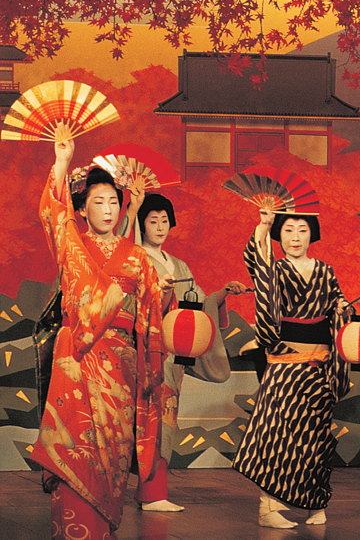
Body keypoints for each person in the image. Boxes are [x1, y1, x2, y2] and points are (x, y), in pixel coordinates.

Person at [30, 139, 165, 540]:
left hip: (120, 366)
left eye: (112, 202)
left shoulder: (137, 257)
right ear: (83, 208)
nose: (107, 210)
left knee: (112, 453)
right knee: (77, 447)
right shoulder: (73, 244)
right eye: (98, 202)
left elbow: (151, 317)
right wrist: (62, 161)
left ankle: (102, 529)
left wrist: (149, 371)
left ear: (121, 207)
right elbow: (52, 214)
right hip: (77, 359)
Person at [123, 192, 249, 511]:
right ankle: (149, 492)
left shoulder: (178, 265)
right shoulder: (134, 259)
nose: (161, 226)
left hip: (171, 356)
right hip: (145, 352)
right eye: (153, 220)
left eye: (165, 220)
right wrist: (159, 296)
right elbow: (127, 304)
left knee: (167, 422)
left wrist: (221, 295)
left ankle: (153, 492)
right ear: (141, 224)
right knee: (146, 422)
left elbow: (198, 303)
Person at [233, 207, 352, 529]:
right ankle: (268, 507)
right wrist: (263, 224)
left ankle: (315, 502)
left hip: (319, 365)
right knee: (276, 434)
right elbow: (257, 265)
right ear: (278, 236)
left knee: (315, 437)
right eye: (287, 230)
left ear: (312, 234)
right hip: (284, 363)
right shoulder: (275, 270)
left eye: (302, 230)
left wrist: (343, 308)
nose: (295, 237)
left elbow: (338, 302)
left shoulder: (325, 271)